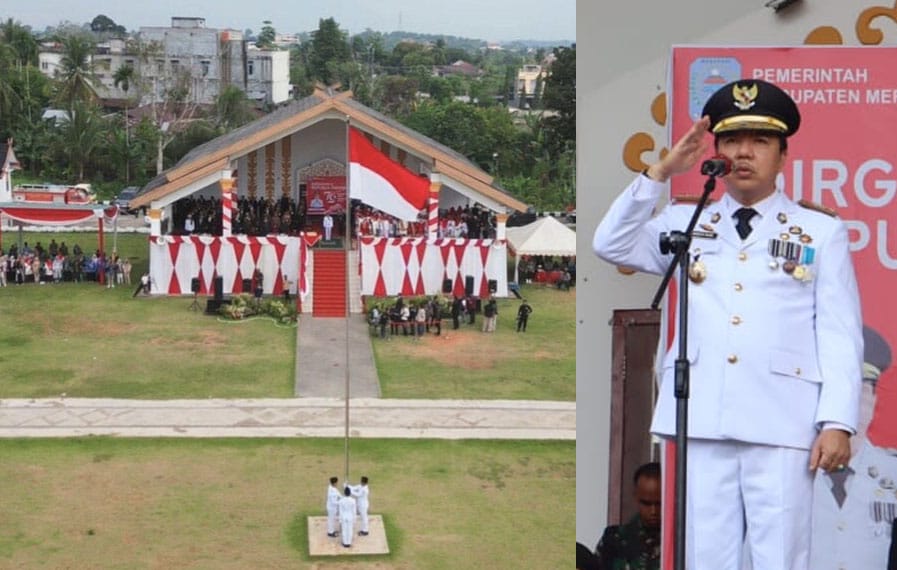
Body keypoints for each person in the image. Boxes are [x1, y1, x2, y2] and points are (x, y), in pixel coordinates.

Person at [592, 79, 863, 570]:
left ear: (782, 156)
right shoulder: (687, 220)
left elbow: (840, 332)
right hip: (702, 415)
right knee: (704, 556)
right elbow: (610, 244)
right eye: (732, 141)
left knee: (780, 557)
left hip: (784, 419)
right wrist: (659, 172)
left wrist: (838, 421)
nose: (744, 153)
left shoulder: (820, 231)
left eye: (760, 142)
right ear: (713, 151)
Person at [810, 325, 897, 570]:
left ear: (874, 400)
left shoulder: (893, 473)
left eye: (862, 392)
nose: (850, 408)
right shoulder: (782, 471)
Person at [594, 462, 661, 570]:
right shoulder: (613, 540)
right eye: (646, 503)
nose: (653, 511)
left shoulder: (683, 542)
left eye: (659, 504)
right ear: (636, 496)